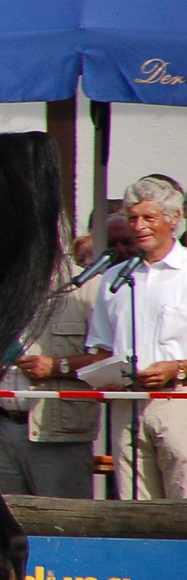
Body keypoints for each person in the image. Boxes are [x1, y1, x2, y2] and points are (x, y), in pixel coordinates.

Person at [84, 174, 187, 499]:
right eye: (133, 218)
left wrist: (177, 368)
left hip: (178, 401)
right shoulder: (115, 277)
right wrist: (102, 375)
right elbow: (101, 348)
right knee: (135, 508)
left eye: (148, 217)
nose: (139, 225)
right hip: (126, 405)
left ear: (174, 219)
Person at [0, 260, 97, 499]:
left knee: (64, 524)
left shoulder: (88, 286)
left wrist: (57, 366)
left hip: (58, 435)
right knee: (4, 527)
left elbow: (111, 359)